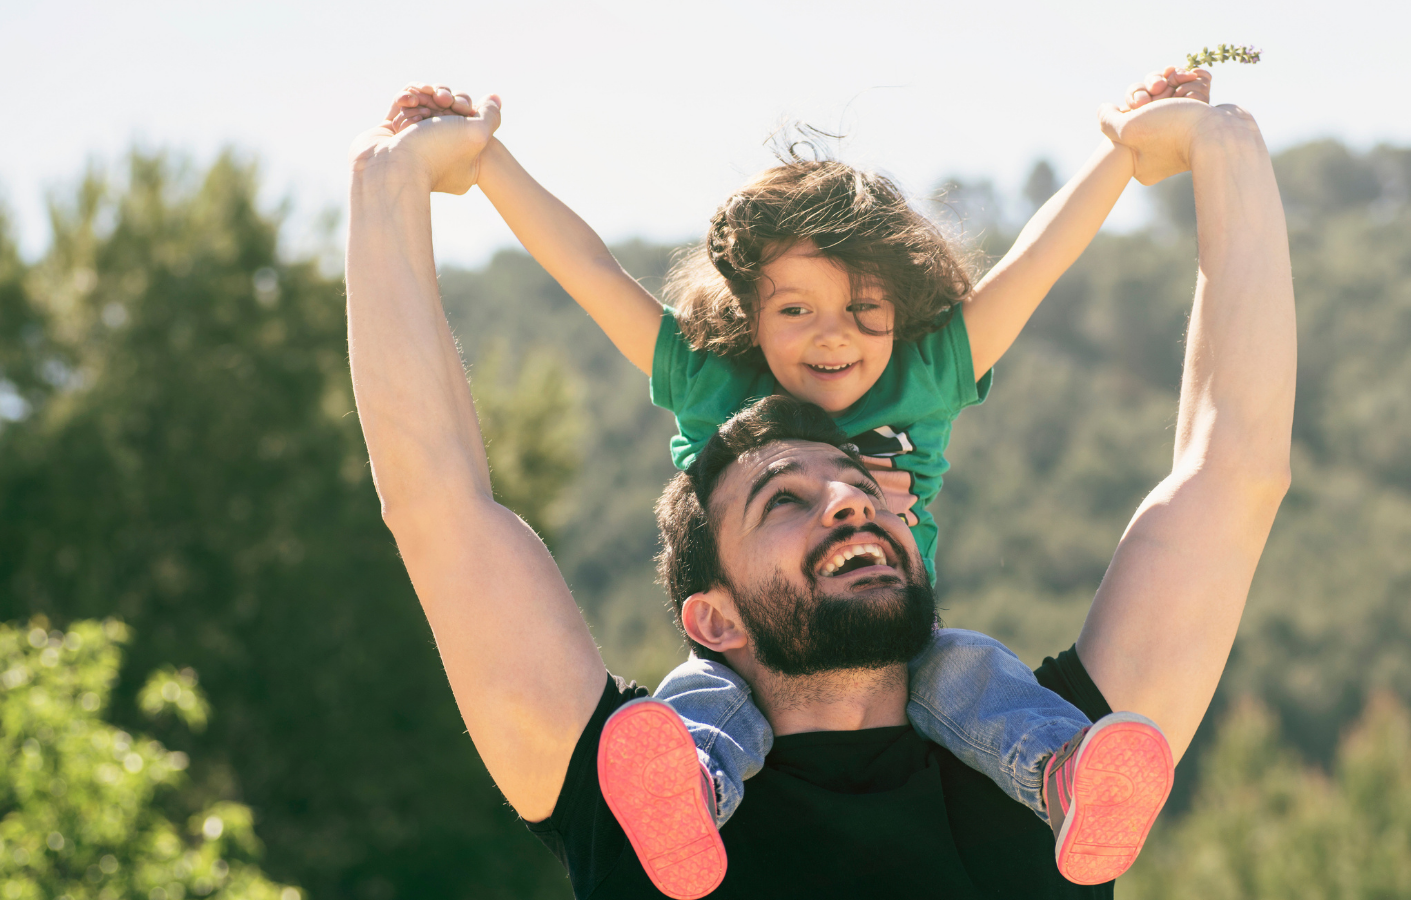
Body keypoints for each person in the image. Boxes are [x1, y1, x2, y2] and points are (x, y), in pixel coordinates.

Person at [344, 73, 1294, 899]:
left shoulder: (1059, 785)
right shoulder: (628, 795)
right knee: (672, 764)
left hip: (1037, 763)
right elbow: (437, 505)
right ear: (709, 615)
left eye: (866, 491)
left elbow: (1234, 471)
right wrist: (390, 184)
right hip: (679, 787)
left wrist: (1222, 146)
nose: (850, 499)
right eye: (781, 499)